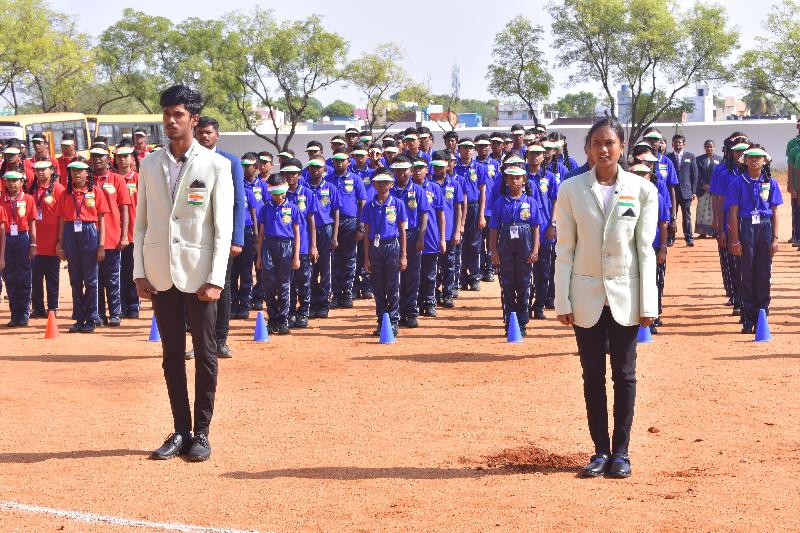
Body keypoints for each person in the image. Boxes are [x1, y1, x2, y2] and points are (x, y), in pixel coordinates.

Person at [134, 85, 234, 462]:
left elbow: (222, 228)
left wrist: (217, 278)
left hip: (200, 278)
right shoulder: (149, 164)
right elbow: (142, 224)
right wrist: (139, 272)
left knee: (206, 355)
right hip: (161, 276)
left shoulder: (216, 165)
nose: (170, 121)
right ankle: (180, 430)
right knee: (171, 356)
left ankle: (202, 434)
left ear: (193, 119)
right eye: (166, 114)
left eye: (178, 115)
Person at [555, 118, 658, 479]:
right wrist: (562, 301)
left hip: (626, 296)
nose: (603, 149)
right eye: (596, 143)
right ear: (586, 148)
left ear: (622, 147)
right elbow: (564, 249)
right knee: (592, 376)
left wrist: (649, 304)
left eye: (610, 143)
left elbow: (645, 250)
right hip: (585, 297)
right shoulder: (570, 190)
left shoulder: (642, 190)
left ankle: (622, 453)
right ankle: (599, 450)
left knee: (625, 375)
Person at [194, 116, 245, 359]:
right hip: (194, 238)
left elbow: (238, 202)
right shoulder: (188, 160)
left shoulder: (231, 162)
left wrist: (237, 239)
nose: (204, 136)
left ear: (217, 135)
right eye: (201, 132)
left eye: (209, 132)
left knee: (221, 288)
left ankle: (221, 340)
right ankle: (198, 342)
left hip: (222, 238)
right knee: (194, 289)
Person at [725, 145, 782, 334]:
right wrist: (734, 240)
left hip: (765, 227)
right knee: (747, 273)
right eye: (751, 157)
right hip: (746, 225)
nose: (755, 160)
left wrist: (775, 238)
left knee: (764, 273)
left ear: (765, 161)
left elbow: (774, 211)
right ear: (745, 160)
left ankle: (762, 315)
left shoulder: (770, 182)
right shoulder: (737, 182)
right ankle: (748, 317)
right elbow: (732, 212)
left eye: (759, 158)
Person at [56, 159, 108, 334]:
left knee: (91, 280)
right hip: (71, 232)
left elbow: (101, 219)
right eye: (73, 171)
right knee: (75, 278)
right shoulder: (65, 194)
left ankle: (91, 317)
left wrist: (101, 245)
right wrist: (60, 244)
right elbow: (62, 220)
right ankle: (79, 317)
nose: (76, 174)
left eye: (80, 171)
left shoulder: (96, 192)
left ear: (87, 173)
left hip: (89, 232)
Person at [489, 165, 542, 337]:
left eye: (518, 178)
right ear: (505, 180)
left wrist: (535, 249)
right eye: (510, 177)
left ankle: (522, 321)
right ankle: (509, 320)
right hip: (505, 243)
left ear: (524, 180)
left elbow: (535, 227)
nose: (514, 181)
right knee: (507, 285)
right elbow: (494, 229)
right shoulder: (500, 203)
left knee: (524, 285)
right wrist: (494, 252)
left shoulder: (531, 202)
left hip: (525, 243)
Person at [361, 168, 407, 336]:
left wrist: (403, 255)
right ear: (373, 184)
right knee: (377, 286)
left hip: (392, 246)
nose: (382, 185)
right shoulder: (369, 206)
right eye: (378, 182)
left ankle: (394, 321)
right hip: (375, 247)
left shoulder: (398, 204)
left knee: (392, 285)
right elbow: (366, 233)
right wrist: (366, 257)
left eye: (385, 182)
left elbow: (402, 231)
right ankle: (381, 321)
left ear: (391, 184)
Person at [90, 144, 131, 327]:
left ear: (108, 159)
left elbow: (125, 209)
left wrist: (124, 236)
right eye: (94, 156)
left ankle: (115, 313)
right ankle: (98, 314)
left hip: (113, 237)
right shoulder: (87, 179)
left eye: (101, 156)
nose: (97, 159)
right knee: (94, 279)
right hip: (90, 238)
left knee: (113, 278)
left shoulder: (117, 180)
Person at [255, 172, 301, 334]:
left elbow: (297, 233)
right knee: (268, 285)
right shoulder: (265, 208)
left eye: (280, 192)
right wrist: (259, 255)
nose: (278, 196)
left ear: (285, 190)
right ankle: (272, 318)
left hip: (286, 247)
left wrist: (296, 256)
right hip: (269, 245)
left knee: (284, 285)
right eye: (274, 193)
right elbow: (261, 233)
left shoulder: (293, 208)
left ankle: (283, 319)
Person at [629, 163, 669, 334]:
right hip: (630, 248)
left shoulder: (657, 197)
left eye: (643, 174)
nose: (640, 177)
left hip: (652, 247)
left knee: (652, 282)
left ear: (650, 176)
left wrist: (663, 248)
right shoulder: (625, 196)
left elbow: (664, 223)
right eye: (636, 173)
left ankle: (651, 317)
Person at [390, 156, 429, 328]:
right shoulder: (389, 190)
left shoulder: (418, 190)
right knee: (394, 277)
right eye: (397, 170)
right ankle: (394, 313)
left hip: (413, 235)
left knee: (412, 276)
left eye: (404, 169)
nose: (401, 173)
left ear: (411, 171)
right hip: (393, 236)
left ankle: (411, 312)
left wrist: (421, 237)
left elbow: (424, 215)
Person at [328, 148, 366, 309]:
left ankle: (348, 293)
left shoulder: (356, 179)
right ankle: (336, 294)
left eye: (342, 160)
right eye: (336, 160)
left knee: (350, 259)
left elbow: (362, 203)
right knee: (335, 260)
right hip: (332, 223)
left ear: (348, 162)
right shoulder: (328, 179)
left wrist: (360, 227)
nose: (339, 163)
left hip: (351, 223)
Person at [525, 144, 558, 320]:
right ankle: (524, 305)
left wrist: (553, 225)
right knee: (524, 272)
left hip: (545, 230)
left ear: (544, 156)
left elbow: (556, 202)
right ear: (527, 155)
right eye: (532, 154)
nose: (535, 157)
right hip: (524, 231)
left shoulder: (549, 177)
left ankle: (539, 306)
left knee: (543, 271)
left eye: (538, 154)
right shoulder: (520, 176)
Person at [284, 159, 317, 328]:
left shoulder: (308, 193)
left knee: (304, 281)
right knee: (287, 282)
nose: (290, 176)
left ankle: (303, 312)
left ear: (299, 175)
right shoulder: (279, 194)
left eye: (294, 173)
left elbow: (311, 220)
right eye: (287, 173)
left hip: (303, 245)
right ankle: (289, 312)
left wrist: (313, 245)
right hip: (284, 247)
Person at [1, 170, 37, 326]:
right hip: (6, 239)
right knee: (10, 278)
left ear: (22, 182)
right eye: (9, 181)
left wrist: (33, 244)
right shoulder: (1, 200)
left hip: (23, 238)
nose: (12, 184)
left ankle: (23, 313)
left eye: (15, 181)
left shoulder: (28, 199)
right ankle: (14, 313)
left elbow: (32, 222)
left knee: (23, 277)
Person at [29, 160, 64, 319]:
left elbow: (63, 216)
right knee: (35, 278)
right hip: (36, 242)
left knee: (52, 277)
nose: (40, 172)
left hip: (51, 243)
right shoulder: (32, 189)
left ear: (51, 170)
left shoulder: (58, 189)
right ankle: (37, 307)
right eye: (37, 170)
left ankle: (52, 307)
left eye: (44, 169)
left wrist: (59, 240)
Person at [306, 154, 340, 319]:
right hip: (308, 232)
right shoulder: (304, 188)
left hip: (326, 230)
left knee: (325, 269)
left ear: (324, 169)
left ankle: (323, 303)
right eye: (312, 167)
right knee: (310, 269)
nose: (315, 170)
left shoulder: (331, 188)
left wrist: (334, 236)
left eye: (318, 167)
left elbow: (336, 212)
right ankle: (312, 303)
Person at [411, 158, 445, 317]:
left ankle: (430, 301)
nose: (418, 171)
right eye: (415, 168)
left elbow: (441, 215)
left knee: (430, 273)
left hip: (430, 236)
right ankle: (414, 303)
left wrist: (442, 238)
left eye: (421, 168)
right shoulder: (407, 188)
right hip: (411, 237)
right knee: (413, 274)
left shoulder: (434, 188)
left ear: (427, 169)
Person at [453, 138, 487, 291]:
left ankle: (474, 277)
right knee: (459, 242)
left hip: (474, 207)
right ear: (459, 149)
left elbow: (483, 192)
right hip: (457, 208)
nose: (467, 150)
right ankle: (460, 277)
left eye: (470, 147)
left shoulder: (479, 167)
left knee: (474, 244)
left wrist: (481, 215)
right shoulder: (455, 167)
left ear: (473, 150)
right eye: (464, 147)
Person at [430, 151, 463, 309]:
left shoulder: (454, 184)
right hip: (431, 232)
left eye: (441, 165)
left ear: (448, 165)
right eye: (435, 165)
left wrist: (458, 230)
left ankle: (448, 293)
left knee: (449, 264)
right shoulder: (428, 184)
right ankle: (433, 293)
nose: (438, 168)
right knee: (432, 265)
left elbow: (459, 208)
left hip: (449, 231)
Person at [230, 154, 260, 320]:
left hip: (247, 233)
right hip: (231, 233)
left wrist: (256, 238)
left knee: (246, 271)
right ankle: (233, 304)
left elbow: (254, 216)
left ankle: (245, 304)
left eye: (248, 166)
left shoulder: (248, 193)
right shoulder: (230, 190)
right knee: (232, 272)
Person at [114, 141, 141, 318]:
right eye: (120, 157)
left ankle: (133, 305)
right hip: (115, 232)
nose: (123, 160)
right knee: (119, 272)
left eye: (126, 156)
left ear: (132, 158)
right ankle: (121, 305)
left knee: (133, 270)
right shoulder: (112, 178)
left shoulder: (138, 178)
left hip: (135, 232)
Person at [666, 134, 698, 246]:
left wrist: (694, 191)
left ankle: (689, 238)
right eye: (675, 142)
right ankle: (670, 238)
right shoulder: (668, 157)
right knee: (671, 216)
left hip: (686, 192)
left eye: (680, 142)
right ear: (672, 144)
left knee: (687, 216)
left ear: (684, 144)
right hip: (672, 192)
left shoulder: (691, 156)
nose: (678, 144)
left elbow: (695, 175)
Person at [694, 140, 720, 238]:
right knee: (702, 211)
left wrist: (713, 186)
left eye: (711, 146)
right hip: (702, 190)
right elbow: (696, 174)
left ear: (714, 148)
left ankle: (714, 232)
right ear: (704, 148)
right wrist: (703, 185)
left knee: (714, 211)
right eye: (707, 147)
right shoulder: (698, 160)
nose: (709, 148)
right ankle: (703, 232)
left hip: (715, 190)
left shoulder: (720, 160)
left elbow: (720, 175)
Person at [787, 118, 800, 247]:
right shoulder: (792, 145)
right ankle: (796, 235)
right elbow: (790, 167)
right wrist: (790, 185)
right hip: (797, 183)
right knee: (796, 209)